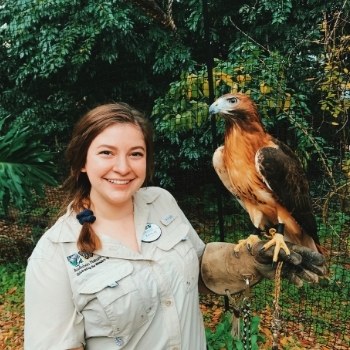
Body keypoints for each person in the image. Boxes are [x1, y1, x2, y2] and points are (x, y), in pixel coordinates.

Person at [24, 102, 326, 350]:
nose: (123, 167)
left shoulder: (161, 203)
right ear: (82, 163)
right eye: (106, 152)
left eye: (136, 154)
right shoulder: (53, 256)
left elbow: (198, 271)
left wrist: (247, 260)